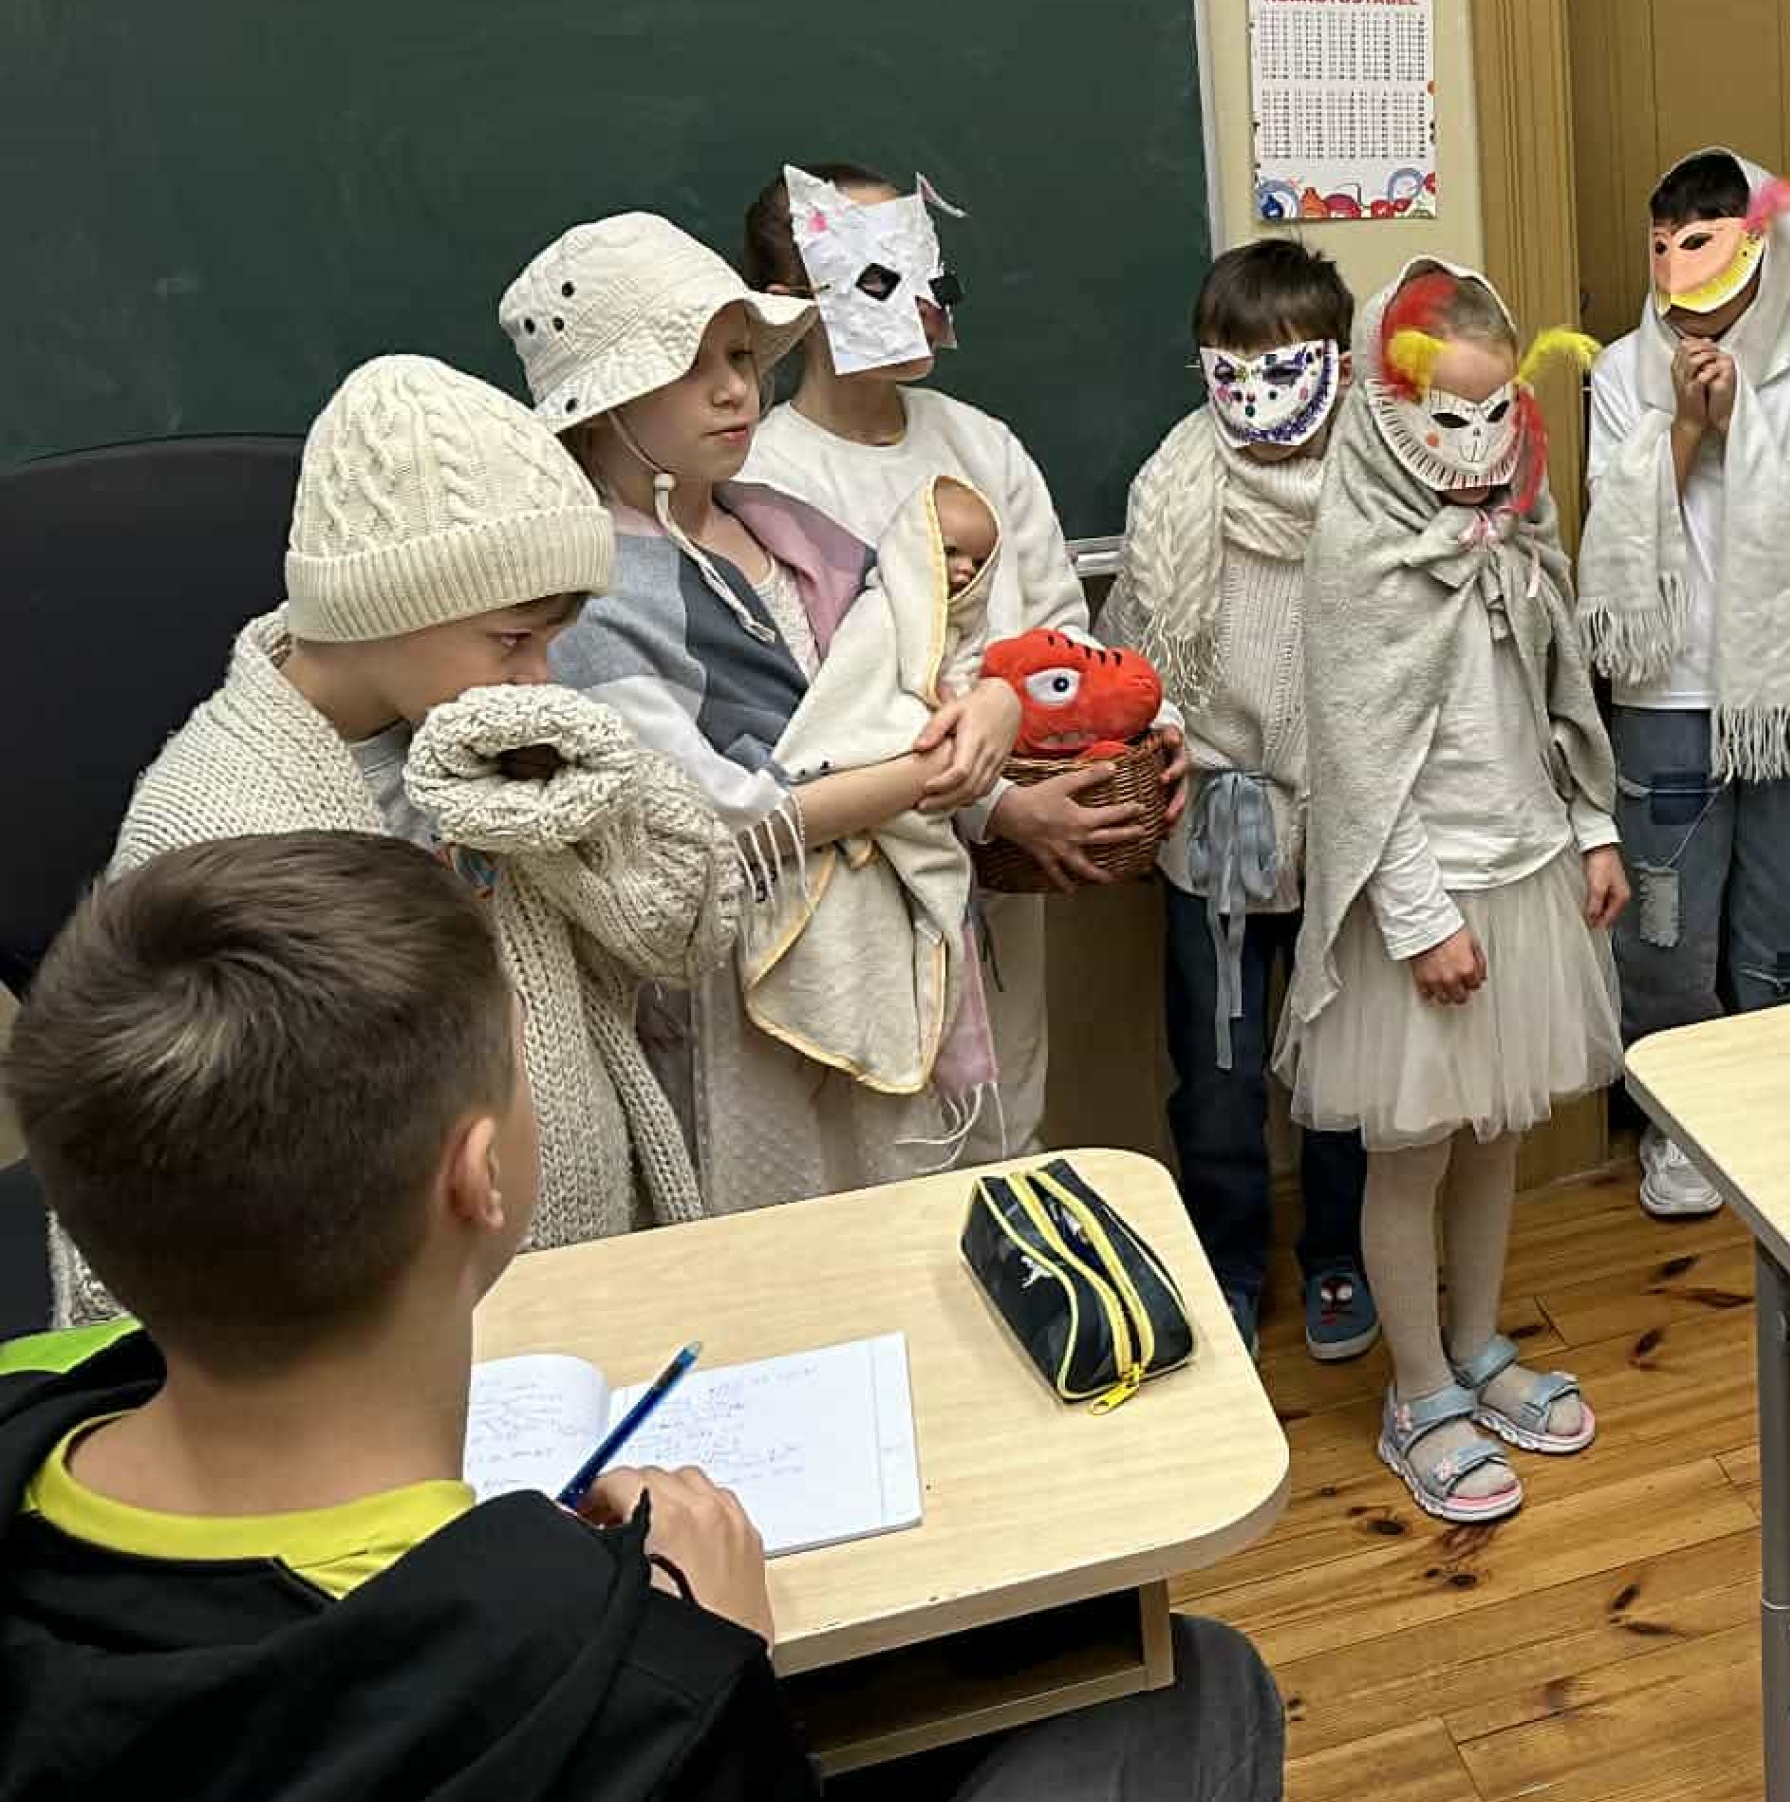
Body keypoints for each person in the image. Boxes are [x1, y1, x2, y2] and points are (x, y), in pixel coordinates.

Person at [0, 831, 1283, 1802]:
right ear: (479, 1177)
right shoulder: (619, 1687)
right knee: (1202, 1684)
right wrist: (718, 1668)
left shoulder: (34, 1409)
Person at [54, 355, 719, 1321]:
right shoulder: (211, 828)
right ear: (386, 609)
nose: (542, 676)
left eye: (556, 638)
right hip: (376, 1334)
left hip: (586, 1285)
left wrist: (589, 811)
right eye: (515, 638)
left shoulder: (493, 726)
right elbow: (145, 1204)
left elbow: (682, 938)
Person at [512, 212, 1018, 1208]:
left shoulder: (790, 529)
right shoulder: (590, 597)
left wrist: (992, 700)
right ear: (601, 398)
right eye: (688, 364)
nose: (734, 389)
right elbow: (717, 824)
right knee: (784, 1239)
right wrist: (921, 776)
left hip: (873, 953)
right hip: (734, 991)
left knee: (902, 1218)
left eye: (742, 356)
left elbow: (915, 658)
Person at [743, 161, 1179, 1163]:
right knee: (888, 1148)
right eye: (880, 277)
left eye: (930, 274)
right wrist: (993, 804)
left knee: (1006, 1126)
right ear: (792, 302)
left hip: (1008, 901)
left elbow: (1064, 642)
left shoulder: (983, 447)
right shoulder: (764, 479)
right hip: (860, 900)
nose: (924, 304)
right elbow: (813, 722)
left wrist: (1147, 728)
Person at [1287, 262, 1628, 1523]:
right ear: (1389, 412)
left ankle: (1477, 1343)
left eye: (1495, 414)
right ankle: (1417, 1388)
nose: (1473, 445)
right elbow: (1356, 761)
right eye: (1446, 417)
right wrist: (1421, 918)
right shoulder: (1359, 553)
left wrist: (1591, 829)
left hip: (1526, 877)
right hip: (1422, 907)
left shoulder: (1522, 527)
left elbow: (1559, 695)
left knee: (1497, 1138)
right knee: (1413, 1153)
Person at [1104, 236, 1376, 1359]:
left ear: (1341, 366)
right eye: (1233, 369)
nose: (1259, 398)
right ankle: (1227, 1258)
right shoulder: (1173, 489)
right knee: (1219, 1071)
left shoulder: (1382, 487)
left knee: (1343, 1059)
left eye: (1286, 367)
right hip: (1218, 824)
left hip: (1351, 820)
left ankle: (1341, 1253)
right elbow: (1133, 659)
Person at [1579, 147, 1790, 1220]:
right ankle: (1682, 1124)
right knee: (1665, 931)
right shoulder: (1619, 371)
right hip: (1667, 693)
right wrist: (1686, 426)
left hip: (1784, 697)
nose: (1676, 269)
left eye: (1699, 243)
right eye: (1660, 246)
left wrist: (1745, 420)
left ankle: (1785, 1110)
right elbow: (1612, 515)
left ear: (1759, 251)